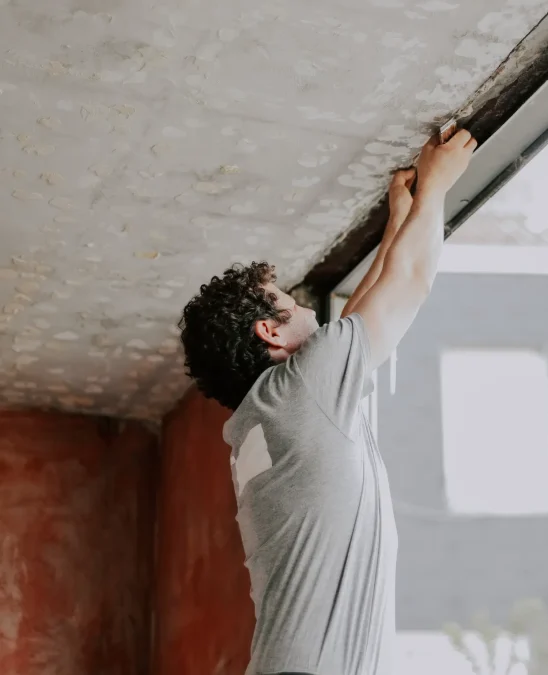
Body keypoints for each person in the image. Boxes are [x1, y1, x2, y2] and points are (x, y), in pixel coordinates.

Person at [177, 128, 478, 675]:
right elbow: (407, 281)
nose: (305, 307)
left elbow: (359, 317)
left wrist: (401, 221)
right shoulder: (298, 393)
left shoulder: (268, 417)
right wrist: (437, 185)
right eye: (289, 302)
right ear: (270, 332)